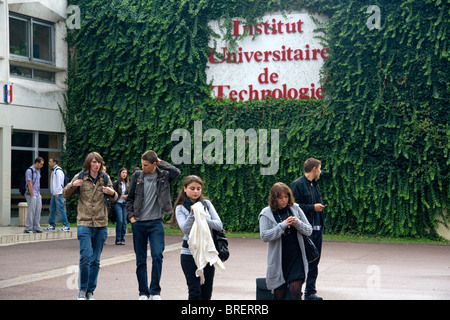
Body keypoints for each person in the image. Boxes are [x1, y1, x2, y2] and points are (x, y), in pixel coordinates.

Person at [63, 152, 118, 300]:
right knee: (86, 256)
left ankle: (90, 291)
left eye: (99, 162)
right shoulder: (80, 177)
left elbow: (115, 197)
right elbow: (65, 193)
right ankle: (82, 289)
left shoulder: (105, 178)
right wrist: (73, 185)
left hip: (101, 223)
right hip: (84, 222)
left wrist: (111, 192)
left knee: (95, 260)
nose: (97, 165)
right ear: (89, 163)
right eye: (94, 162)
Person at [126, 150, 181, 300]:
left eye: (146, 165)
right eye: (142, 164)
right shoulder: (137, 176)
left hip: (156, 223)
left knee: (157, 255)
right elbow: (129, 199)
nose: (142, 167)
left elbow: (176, 172)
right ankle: (143, 292)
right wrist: (131, 217)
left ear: (154, 164)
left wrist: (160, 161)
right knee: (141, 259)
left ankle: (155, 291)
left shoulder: (163, 176)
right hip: (139, 223)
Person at [172, 175, 223, 300]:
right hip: (189, 254)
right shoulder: (180, 208)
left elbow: (219, 225)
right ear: (185, 189)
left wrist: (203, 216)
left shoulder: (207, 204)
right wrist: (193, 214)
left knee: (206, 292)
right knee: (195, 292)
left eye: (198, 189)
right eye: (192, 188)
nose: (196, 192)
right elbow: (186, 229)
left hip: (207, 253)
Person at [259, 182, 312, 300]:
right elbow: (264, 236)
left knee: (295, 290)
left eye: (286, 197)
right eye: (280, 198)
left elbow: (308, 230)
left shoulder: (295, 209)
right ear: (274, 199)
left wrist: (297, 223)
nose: (284, 200)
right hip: (279, 260)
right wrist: (282, 225)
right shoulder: (266, 213)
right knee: (279, 294)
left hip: (297, 257)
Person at [290, 158, 326, 300]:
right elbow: (294, 207)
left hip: (317, 229)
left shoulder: (314, 185)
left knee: (315, 259)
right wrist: (313, 207)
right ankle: (296, 290)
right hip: (304, 230)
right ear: (314, 169)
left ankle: (310, 292)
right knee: (302, 261)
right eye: (319, 168)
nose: (320, 171)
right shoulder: (297, 185)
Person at [44, 158, 70, 232]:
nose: (49, 163)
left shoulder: (58, 171)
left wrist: (57, 192)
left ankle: (66, 225)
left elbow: (59, 182)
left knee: (60, 209)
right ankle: (51, 224)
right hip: (54, 193)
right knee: (52, 209)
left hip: (58, 193)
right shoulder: (54, 170)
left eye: (50, 161)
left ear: (54, 162)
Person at [23, 157, 44, 233]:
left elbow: (38, 182)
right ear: (37, 163)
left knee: (38, 210)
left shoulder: (38, 171)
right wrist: (32, 194)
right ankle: (28, 228)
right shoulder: (29, 171)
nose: (42, 166)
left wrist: (39, 193)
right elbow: (29, 183)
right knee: (31, 211)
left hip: (37, 193)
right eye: (41, 164)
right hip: (31, 193)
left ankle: (36, 227)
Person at [113, 168, 129, 245]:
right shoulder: (116, 183)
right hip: (118, 203)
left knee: (125, 222)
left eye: (126, 173)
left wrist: (126, 196)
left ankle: (122, 238)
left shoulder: (127, 183)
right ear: (120, 173)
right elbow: (112, 193)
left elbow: (130, 193)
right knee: (120, 221)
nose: (124, 174)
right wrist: (119, 196)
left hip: (124, 204)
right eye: (123, 172)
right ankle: (118, 239)